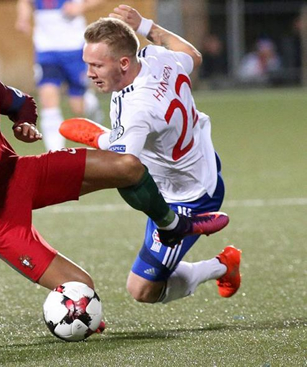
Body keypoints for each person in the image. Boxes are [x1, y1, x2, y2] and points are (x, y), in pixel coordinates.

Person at [0, 60, 228, 330]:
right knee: (81, 290)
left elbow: (22, 103)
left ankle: (173, 225)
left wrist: (24, 122)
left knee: (128, 167)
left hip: (20, 175)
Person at [59, 6, 241, 305]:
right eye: (87, 64)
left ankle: (222, 265)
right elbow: (193, 56)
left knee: (141, 290)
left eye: (97, 66)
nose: (89, 74)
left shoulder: (138, 110)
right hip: (198, 161)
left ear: (124, 62)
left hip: (186, 197)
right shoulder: (155, 56)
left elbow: (123, 169)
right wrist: (145, 24)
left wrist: (73, 169)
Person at [15, 0, 104, 151]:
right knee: (48, 98)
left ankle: (90, 104)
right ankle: (54, 154)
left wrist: (81, 6)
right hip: (47, 50)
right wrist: (23, 18)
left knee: (78, 107)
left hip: (74, 49)